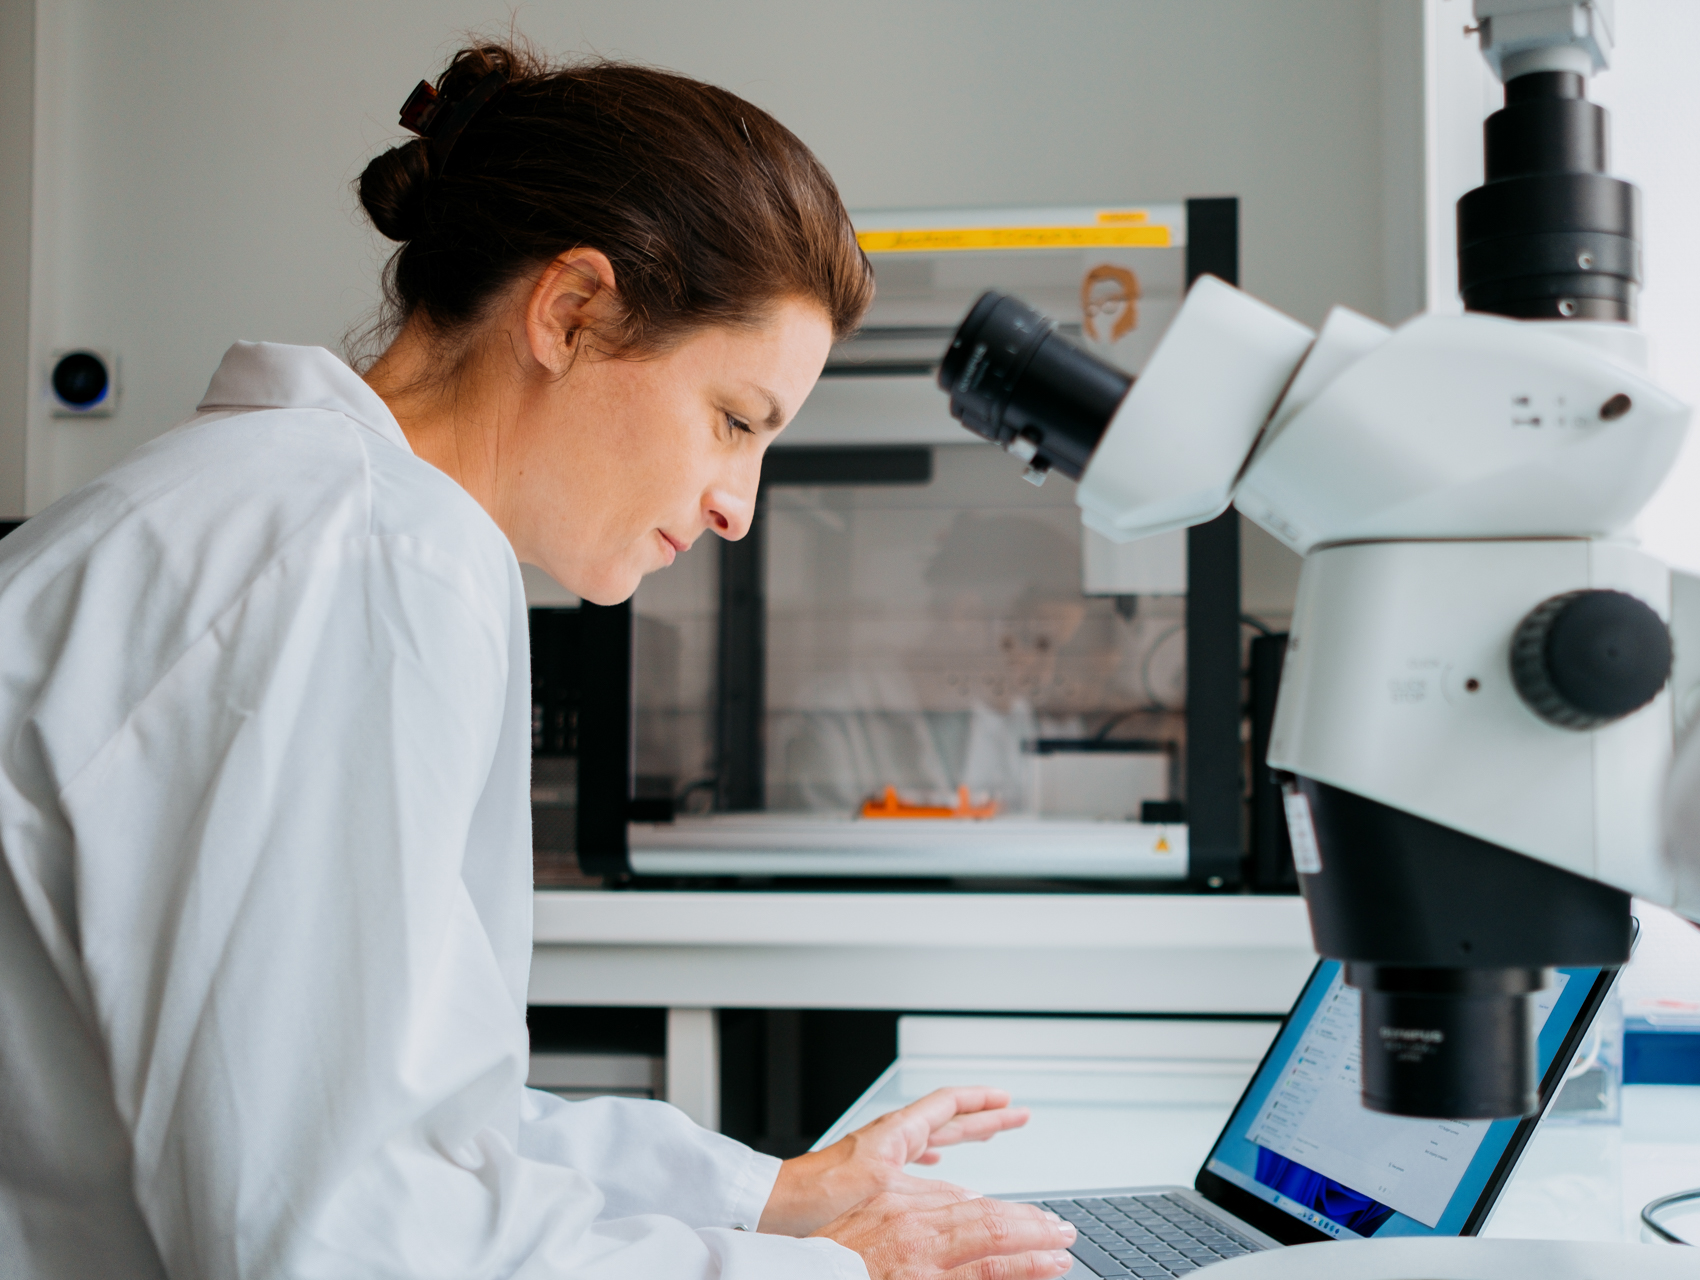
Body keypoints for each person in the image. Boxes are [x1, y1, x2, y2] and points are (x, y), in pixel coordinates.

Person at [0, 43, 1081, 1280]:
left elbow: (382, 1111)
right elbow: (350, 1238)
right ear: (571, 312)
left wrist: (776, 1190)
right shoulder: (375, 552)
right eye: (734, 420)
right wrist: (843, 1270)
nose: (740, 505)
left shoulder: (300, 508)